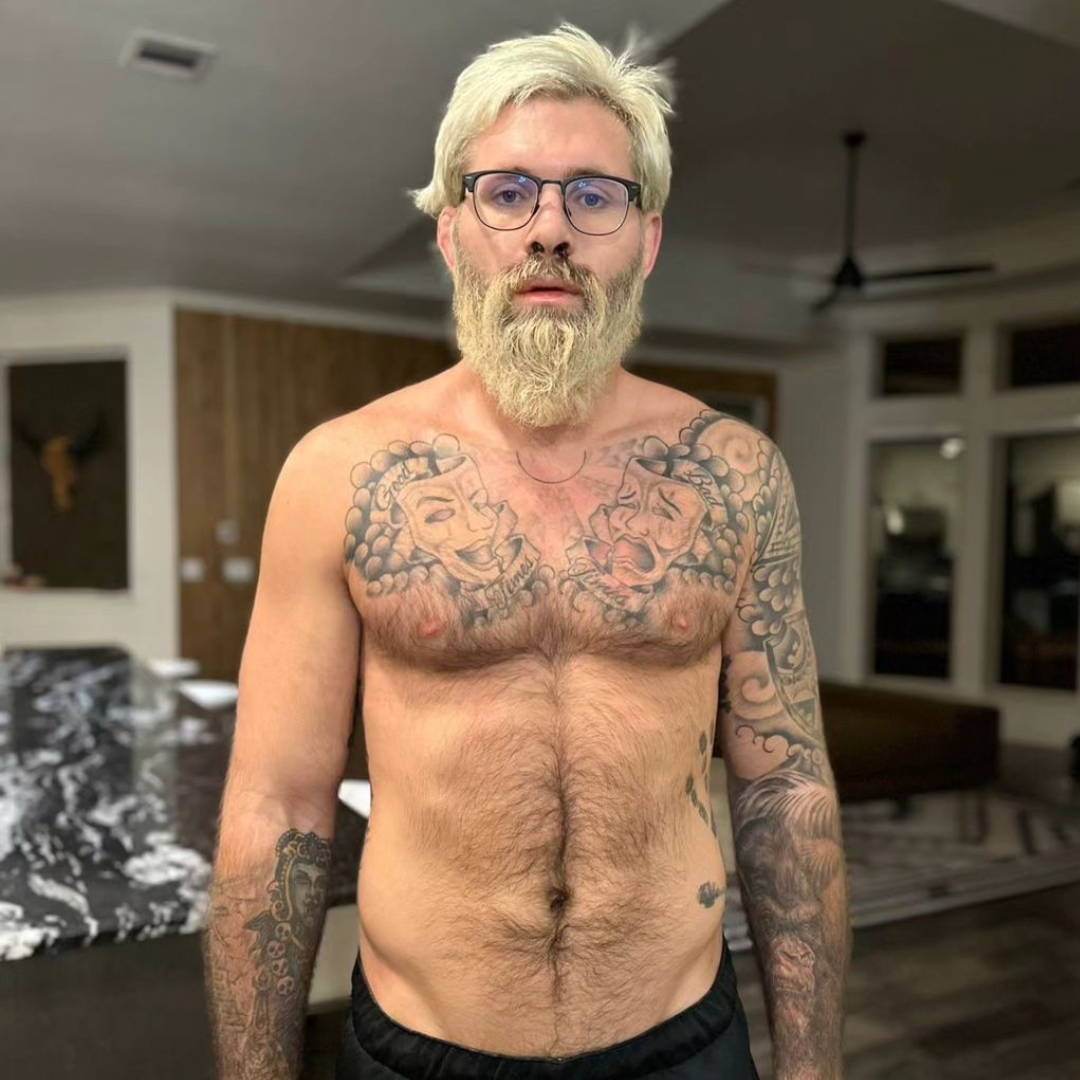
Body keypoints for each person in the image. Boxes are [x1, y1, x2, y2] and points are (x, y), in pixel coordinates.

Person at [203, 22, 851, 1080]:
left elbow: (786, 791)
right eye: (507, 193)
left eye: (595, 195)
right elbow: (276, 807)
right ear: (452, 232)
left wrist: (814, 1069)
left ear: (645, 239)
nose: (551, 229)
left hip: (681, 1043)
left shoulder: (734, 475)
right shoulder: (341, 473)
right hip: (418, 1051)